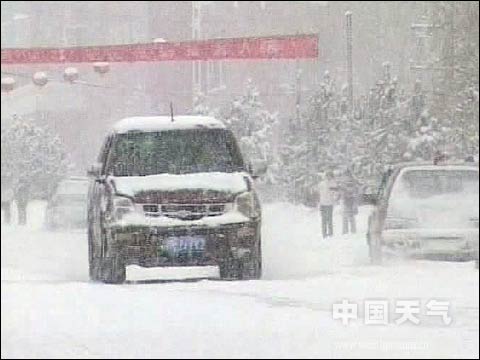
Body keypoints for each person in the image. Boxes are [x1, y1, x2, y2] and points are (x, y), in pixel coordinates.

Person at [318, 171, 338, 238]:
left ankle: (330, 234)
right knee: (323, 219)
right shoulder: (321, 184)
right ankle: (324, 234)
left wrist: (334, 199)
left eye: (330, 176)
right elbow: (319, 193)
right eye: (327, 176)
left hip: (329, 204)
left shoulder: (333, 184)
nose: (328, 177)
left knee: (329, 219)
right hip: (322, 203)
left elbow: (335, 194)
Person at [340, 169, 360, 234]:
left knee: (350, 216)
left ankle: (351, 230)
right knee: (346, 216)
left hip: (351, 200)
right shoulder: (344, 183)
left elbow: (356, 191)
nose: (346, 176)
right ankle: (347, 230)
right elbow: (342, 191)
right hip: (346, 200)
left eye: (346, 175)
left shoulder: (353, 182)